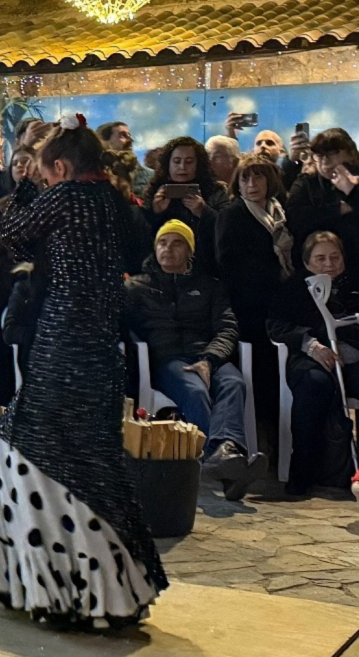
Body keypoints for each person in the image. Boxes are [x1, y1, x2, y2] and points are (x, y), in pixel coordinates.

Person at [0, 114, 167, 628]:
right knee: (92, 459)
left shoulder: (67, 196)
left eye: (47, 171)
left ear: (63, 166)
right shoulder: (116, 203)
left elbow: (14, 234)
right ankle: (104, 587)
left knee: (28, 452)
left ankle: (53, 585)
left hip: (61, 341)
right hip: (100, 347)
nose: (44, 178)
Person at [125, 220, 266, 500]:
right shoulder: (137, 287)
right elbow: (123, 326)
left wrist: (210, 359)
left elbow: (227, 327)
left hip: (208, 356)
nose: (168, 249)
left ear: (190, 250)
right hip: (168, 360)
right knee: (195, 390)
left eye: (177, 243)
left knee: (234, 383)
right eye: (163, 243)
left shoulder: (210, 286)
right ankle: (222, 456)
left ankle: (224, 457)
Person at [268, 231, 359, 495]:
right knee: (315, 385)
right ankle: (303, 470)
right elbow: (276, 326)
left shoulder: (354, 284)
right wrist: (311, 345)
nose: (329, 264)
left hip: (351, 359)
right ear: (308, 263)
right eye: (320, 258)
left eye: (334, 257)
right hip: (309, 359)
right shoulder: (293, 288)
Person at [216, 155, 294, 344]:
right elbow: (227, 262)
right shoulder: (231, 214)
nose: (251, 184)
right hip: (249, 302)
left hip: (280, 297)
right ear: (238, 184)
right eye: (245, 178)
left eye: (258, 177)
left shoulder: (280, 211)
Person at [143, 137, 228, 276]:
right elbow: (142, 236)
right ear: (168, 164)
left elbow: (228, 228)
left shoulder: (214, 191)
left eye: (189, 162)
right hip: (162, 269)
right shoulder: (155, 192)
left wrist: (204, 212)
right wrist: (155, 213)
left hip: (207, 269)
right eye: (177, 161)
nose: (182, 167)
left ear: (198, 164)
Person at [285, 128, 359, 268]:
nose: (324, 160)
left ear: (350, 154)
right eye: (319, 155)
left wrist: (352, 192)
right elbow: (295, 218)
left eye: (331, 153)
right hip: (316, 270)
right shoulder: (306, 182)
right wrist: (338, 210)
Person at [97, 121, 154, 196]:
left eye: (129, 135)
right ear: (105, 141)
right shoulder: (93, 177)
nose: (130, 140)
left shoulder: (150, 177)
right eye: (122, 135)